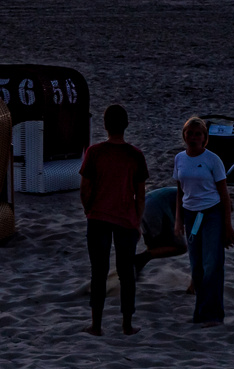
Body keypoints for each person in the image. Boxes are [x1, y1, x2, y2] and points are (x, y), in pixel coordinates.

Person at [80, 104, 148, 335]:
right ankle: (127, 324)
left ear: (105, 125)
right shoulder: (135, 155)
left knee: (98, 271)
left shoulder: (95, 152)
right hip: (125, 219)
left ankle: (96, 324)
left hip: (98, 216)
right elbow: (140, 195)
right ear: (126, 125)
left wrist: (88, 210)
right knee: (126, 272)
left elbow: (85, 188)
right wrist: (137, 222)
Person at [173, 116, 233, 327]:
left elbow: (224, 194)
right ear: (184, 136)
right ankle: (201, 312)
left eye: (198, 134)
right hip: (193, 217)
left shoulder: (212, 160)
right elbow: (180, 192)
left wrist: (227, 225)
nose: (193, 137)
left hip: (211, 214)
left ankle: (213, 314)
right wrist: (178, 221)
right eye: (190, 133)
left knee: (212, 263)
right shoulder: (180, 159)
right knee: (197, 265)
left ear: (204, 138)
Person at [133, 185, 187, 275]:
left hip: (146, 204)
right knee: (181, 248)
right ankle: (139, 259)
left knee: (154, 248)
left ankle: (135, 268)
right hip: (158, 207)